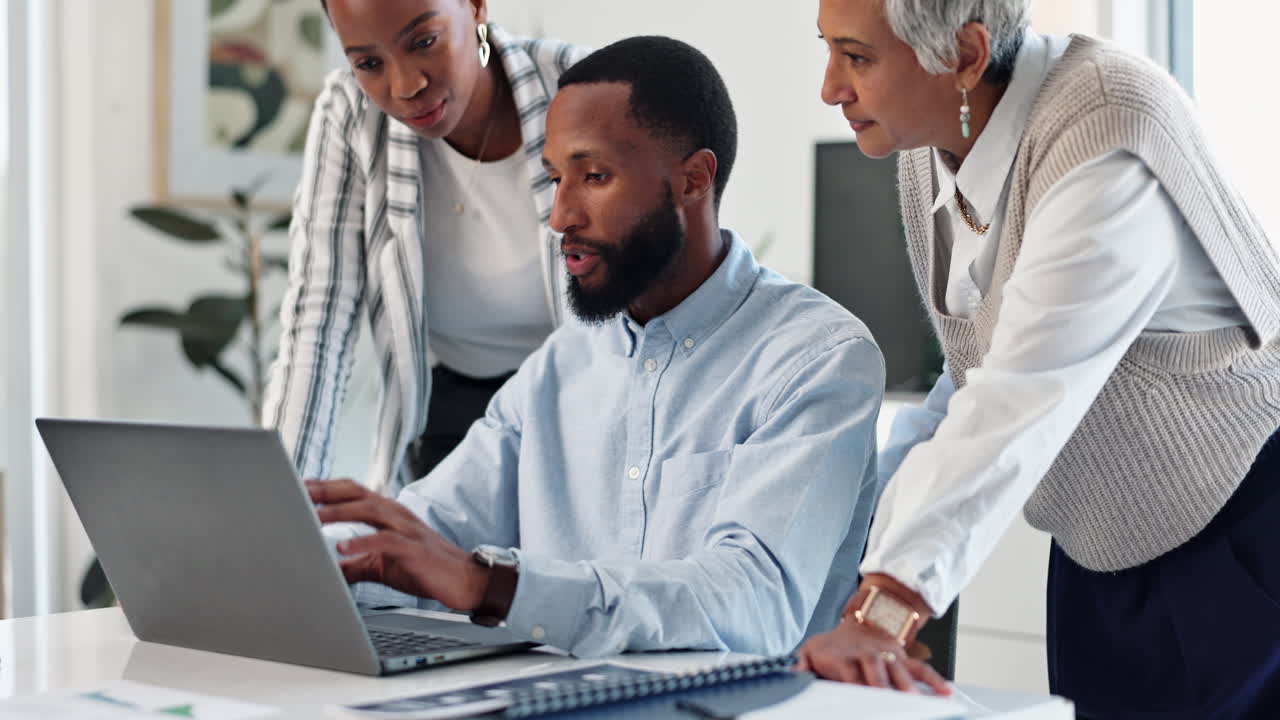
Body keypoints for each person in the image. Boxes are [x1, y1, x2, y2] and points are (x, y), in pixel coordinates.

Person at [307, 35, 887, 657]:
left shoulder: (818, 359)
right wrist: (299, 560)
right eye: (556, 178)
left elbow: (753, 602)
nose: (560, 216)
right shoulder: (562, 365)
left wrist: (493, 586)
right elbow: (431, 536)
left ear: (693, 181)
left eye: (595, 177)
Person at [799, 0, 1280, 716]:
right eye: (828, 50)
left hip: (1237, 536)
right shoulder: (928, 142)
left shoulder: (1108, 126)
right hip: (1101, 542)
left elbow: (1023, 388)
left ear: (964, 54)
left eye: (857, 56)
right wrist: (860, 566)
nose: (830, 86)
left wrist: (887, 606)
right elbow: (969, 375)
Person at [263, 0, 592, 495]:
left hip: (585, 406)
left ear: (476, 6)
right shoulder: (351, 114)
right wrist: (279, 510)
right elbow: (319, 323)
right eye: (369, 63)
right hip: (454, 415)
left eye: (423, 42)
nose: (405, 87)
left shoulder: (585, 89)